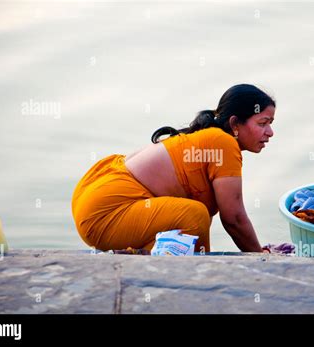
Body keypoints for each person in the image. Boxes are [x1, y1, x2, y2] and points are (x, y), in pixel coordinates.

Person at [71, 84, 276, 253]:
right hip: (106, 212)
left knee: (191, 221)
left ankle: (137, 254)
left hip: (92, 200)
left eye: (271, 123)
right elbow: (234, 218)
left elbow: (200, 233)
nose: (270, 132)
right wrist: (261, 258)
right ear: (235, 124)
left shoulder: (207, 140)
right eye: (262, 123)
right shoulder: (223, 142)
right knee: (194, 215)